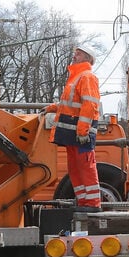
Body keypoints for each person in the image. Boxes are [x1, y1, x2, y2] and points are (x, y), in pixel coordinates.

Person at [44, 44, 102, 211]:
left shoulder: (87, 77)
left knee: (85, 166)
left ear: (87, 58)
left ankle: (92, 204)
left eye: (78, 53)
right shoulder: (77, 77)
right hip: (73, 134)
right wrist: (53, 108)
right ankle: (84, 202)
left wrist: (83, 131)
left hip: (80, 133)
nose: (74, 55)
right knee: (75, 168)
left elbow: (90, 105)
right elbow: (70, 104)